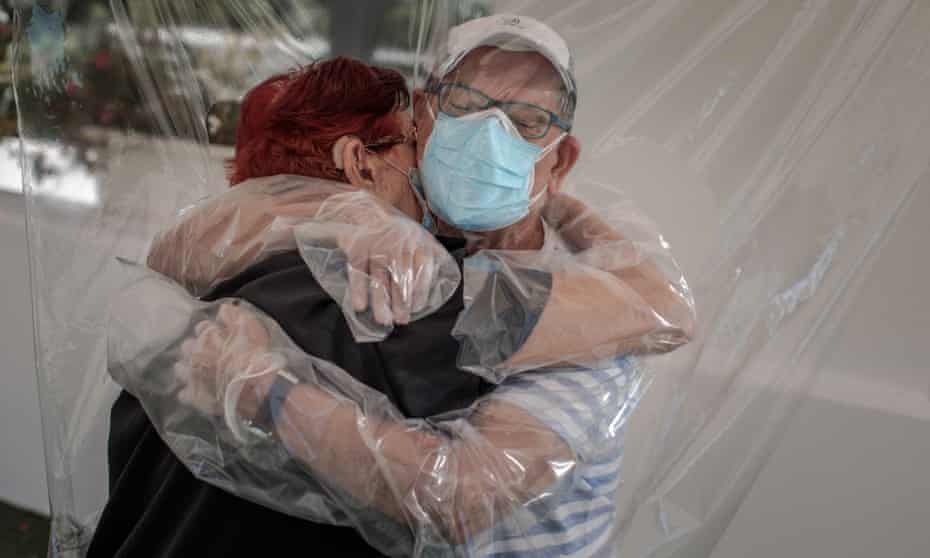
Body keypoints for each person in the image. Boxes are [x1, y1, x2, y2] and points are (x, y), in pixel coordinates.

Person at [97, 15, 694, 558]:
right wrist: (344, 215)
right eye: (461, 106)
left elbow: (461, 494)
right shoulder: (399, 294)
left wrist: (269, 389)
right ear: (421, 121)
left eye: (527, 122)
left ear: (559, 158)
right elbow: (660, 306)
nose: (486, 139)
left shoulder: (517, 308)